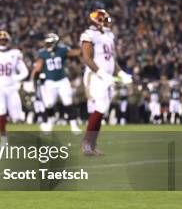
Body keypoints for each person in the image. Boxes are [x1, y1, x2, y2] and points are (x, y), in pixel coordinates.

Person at [80, 9, 132, 155]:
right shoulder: (89, 35)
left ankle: (91, 145)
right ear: (98, 21)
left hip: (107, 77)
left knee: (102, 110)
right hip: (95, 76)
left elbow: (111, 59)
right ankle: (87, 144)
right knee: (100, 108)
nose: (109, 23)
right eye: (106, 20)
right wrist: (101, 73)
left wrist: (120, 73)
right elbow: (87, 58)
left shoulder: (108, 35)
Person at [30, 33, 81, 132]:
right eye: (47, 43)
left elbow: (76, 53)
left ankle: (74, 126)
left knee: (68, 102)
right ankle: (49, 122)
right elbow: (37, 68)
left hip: (62, 80)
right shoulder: (43, 53)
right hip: (49, 82)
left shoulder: (62, 50)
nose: (47, 45)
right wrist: (33, 78)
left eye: (50, 43)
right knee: (48, 104)